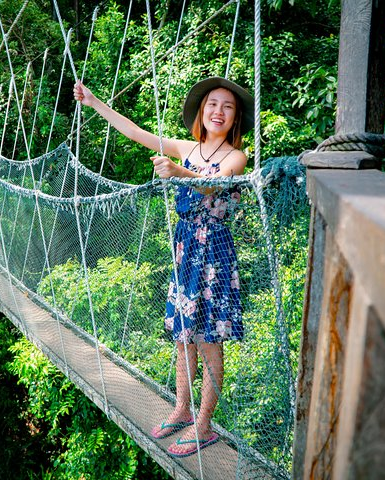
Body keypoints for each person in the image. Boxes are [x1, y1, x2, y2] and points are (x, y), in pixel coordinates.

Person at [73, 76, 253, 458]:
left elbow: (214, 187)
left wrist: (180, 172)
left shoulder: (237, 155)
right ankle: (181, 410)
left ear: (235, 117)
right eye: (212, 105)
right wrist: (94, 101)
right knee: (183, 341)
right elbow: (136, 132)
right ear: (201, 112)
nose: (218, 112)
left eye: (227, 107)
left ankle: (204, 426)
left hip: (214, 256)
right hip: (185, 252)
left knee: (208, 343)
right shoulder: (188, 147)